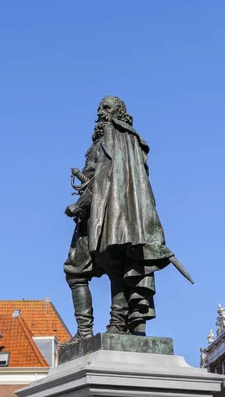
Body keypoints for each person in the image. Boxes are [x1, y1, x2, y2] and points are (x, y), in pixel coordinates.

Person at [64, 96, 179, 339]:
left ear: (119, 112)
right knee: (96, 269)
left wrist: (78, 205)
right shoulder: (116, 141)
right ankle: (99, 328)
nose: (100, 112)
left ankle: (106, 326)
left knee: (98, 266)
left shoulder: (116, 137)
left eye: (106, 107)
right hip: (105, 217)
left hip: (107, 214)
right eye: (98, 107)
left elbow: (103, 181)